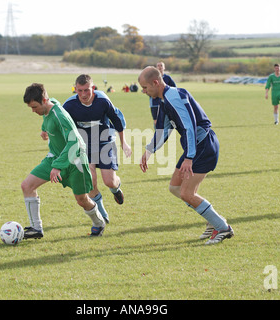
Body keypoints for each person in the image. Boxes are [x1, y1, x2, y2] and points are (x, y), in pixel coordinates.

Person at [138, 66, 234, 245]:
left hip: (202, 146)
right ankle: (214, 222)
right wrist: (148, 151)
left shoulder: (173, 97)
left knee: (186, 193)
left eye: (145, 87)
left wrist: (189, 157)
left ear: (155, 83)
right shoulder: (164, 100)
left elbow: (189, 126)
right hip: (195, 146)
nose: (143, 91)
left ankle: (222, 228)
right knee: (175, 188)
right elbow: (163, 130)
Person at [21, 83, 106, 239]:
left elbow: (75, 142)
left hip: (75, 162)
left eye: (34, 107)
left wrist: (59, 167)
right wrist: (44, 129)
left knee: (82, 199)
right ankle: (36, 228)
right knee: (27, 185)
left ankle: (99, 223)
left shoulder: (60, 116)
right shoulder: (48, 108)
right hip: (55, 157)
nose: (33, 111)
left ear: (44, 100)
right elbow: (52, 108)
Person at [63, 75, 132, 224]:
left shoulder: (103, 100)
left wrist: (124, 143)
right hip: (84, 144)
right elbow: (58, 120)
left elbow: (117, 121)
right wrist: (45, 131)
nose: (83, 94)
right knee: (91, 179)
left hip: (104, 140)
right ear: (75, 89)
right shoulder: (69, 105)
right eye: (79, 90)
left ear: (93, 88)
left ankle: (116, 189)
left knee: (109, 181)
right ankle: (102, 213)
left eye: (86, 90)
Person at [150, 61, 177, 127]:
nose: (159, 67)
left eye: (161, 65)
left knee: (168, 121)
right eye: (158, 66)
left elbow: (174, 88)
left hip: (166, 102)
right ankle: (157, 135)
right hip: (155, 103)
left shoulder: (167, 78)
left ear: (164, 67)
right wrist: (151, 94)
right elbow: (147, 89)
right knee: (156, 121)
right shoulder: (152, 78)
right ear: (156, 68)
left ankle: (165, 135)